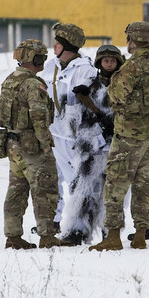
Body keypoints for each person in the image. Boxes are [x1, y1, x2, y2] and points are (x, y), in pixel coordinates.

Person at [90, 21, 149, 252]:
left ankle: (113, 236)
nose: (127, 42)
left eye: (129, 38)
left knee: (115, 186)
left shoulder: (131, 68)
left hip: (128, 135)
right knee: (143, 186)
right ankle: (140, 234)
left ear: (134, 40)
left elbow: (115, 97)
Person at [0, 39, 66, 249]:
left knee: (16, 192)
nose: (44, 60)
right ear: (32, 58)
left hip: (12, 144)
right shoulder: (32, 84)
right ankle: (47, 236)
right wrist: (45, 143)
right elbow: (38, 115)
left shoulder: (10, 80)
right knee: (45, 189)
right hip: (32, 147)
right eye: (41, 57)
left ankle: (13, 236)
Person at [60, 43, 123, 244]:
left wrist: (113, 124)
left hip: (115, 146)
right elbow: (72, 116)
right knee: (84, 191)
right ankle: (76, 232)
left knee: (112, 193)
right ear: (99, 62)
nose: (109, 64)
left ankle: (110, 232)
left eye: (113, 60)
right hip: (91, 148)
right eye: (106, 60)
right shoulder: (90, 83)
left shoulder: (123, 83)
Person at [41, 22, 97, 229]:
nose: (53, 46)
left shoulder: (85, 70)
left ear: (68, 46)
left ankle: (79, 227)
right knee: (50, 181)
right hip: (53, 134)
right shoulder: (51, 66)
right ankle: (52, 222)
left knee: (78, 183)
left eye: (58, 43)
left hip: (73, 138)